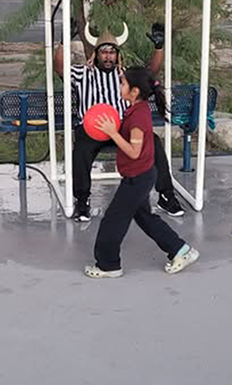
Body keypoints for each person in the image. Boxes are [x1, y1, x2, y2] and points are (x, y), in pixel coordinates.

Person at [53, 21, 184, 222]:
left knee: (154, 143)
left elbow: (151, 73)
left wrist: (159, 47)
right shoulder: (83, 73)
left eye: (111, 52)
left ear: (117, 55)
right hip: (91, 129)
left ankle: (166, 195)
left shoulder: (126, 76)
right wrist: (63, 43)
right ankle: (82, 200)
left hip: (121, 129)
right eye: (103, 52)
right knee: (80, 151)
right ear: (96, 54)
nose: (107, 56)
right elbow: (60, 68)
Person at [83, 66, 200, 278]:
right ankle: (181, 250)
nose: (120, 87)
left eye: (123, 83)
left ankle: (108, 265)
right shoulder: (136, 110)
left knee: (112, 220)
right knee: (146, 218)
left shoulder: (138, 116)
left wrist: (112, 133)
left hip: (138, 178)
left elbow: (134, 152)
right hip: (139, 175)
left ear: (134, 91)